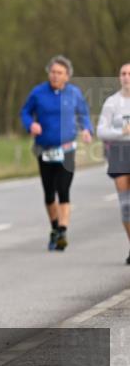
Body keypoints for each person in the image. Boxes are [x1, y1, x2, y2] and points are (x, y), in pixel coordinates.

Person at [20, 55, 94, 251]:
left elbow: (84, 114)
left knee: (63, 190)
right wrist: (31, 124)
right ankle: (54, 227)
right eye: (52, 72)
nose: (55, 76)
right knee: (48, 194)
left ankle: (62, 230)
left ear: (67, 76)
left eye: (59, 73)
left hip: (67, 149)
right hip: (44, 150)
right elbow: (25, 112)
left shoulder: (74, 94)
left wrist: (87, 130)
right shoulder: (38, 93)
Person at [96, 62, 130, 264]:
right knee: (126, 206)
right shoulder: (112, 102)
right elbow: (101, 131)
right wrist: (121, 132)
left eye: (129, 73)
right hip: (119, 152)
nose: (126, 77)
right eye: (123, 73)